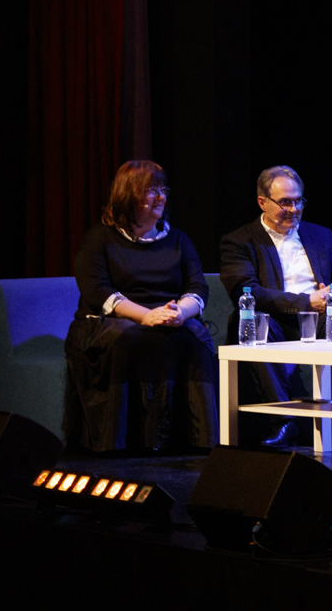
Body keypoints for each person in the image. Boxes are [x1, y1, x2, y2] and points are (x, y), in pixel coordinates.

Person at [63, 160, 218, 453]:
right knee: (131, 336)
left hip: (167, 316)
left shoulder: (178, 240)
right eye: (151, 190)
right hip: (111, 320)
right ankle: (121, 442)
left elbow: (197, 287)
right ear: (127, 195)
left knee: (196, 336)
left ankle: (196, 442)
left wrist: (180, 312)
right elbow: (97, 292)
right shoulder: (100, 239)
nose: (160, 197)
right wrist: (146, 315)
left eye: (163, 190)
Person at [219, 165, 332, 448]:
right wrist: (306, 301)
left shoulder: (321, 235)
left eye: (298, 201)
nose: (294, 209)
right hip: (274, 319)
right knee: (254, 320)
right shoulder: (239, 241)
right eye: (285, 202)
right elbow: (247, 292)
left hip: (319, 318)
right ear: (262, 202)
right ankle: (282, 420)